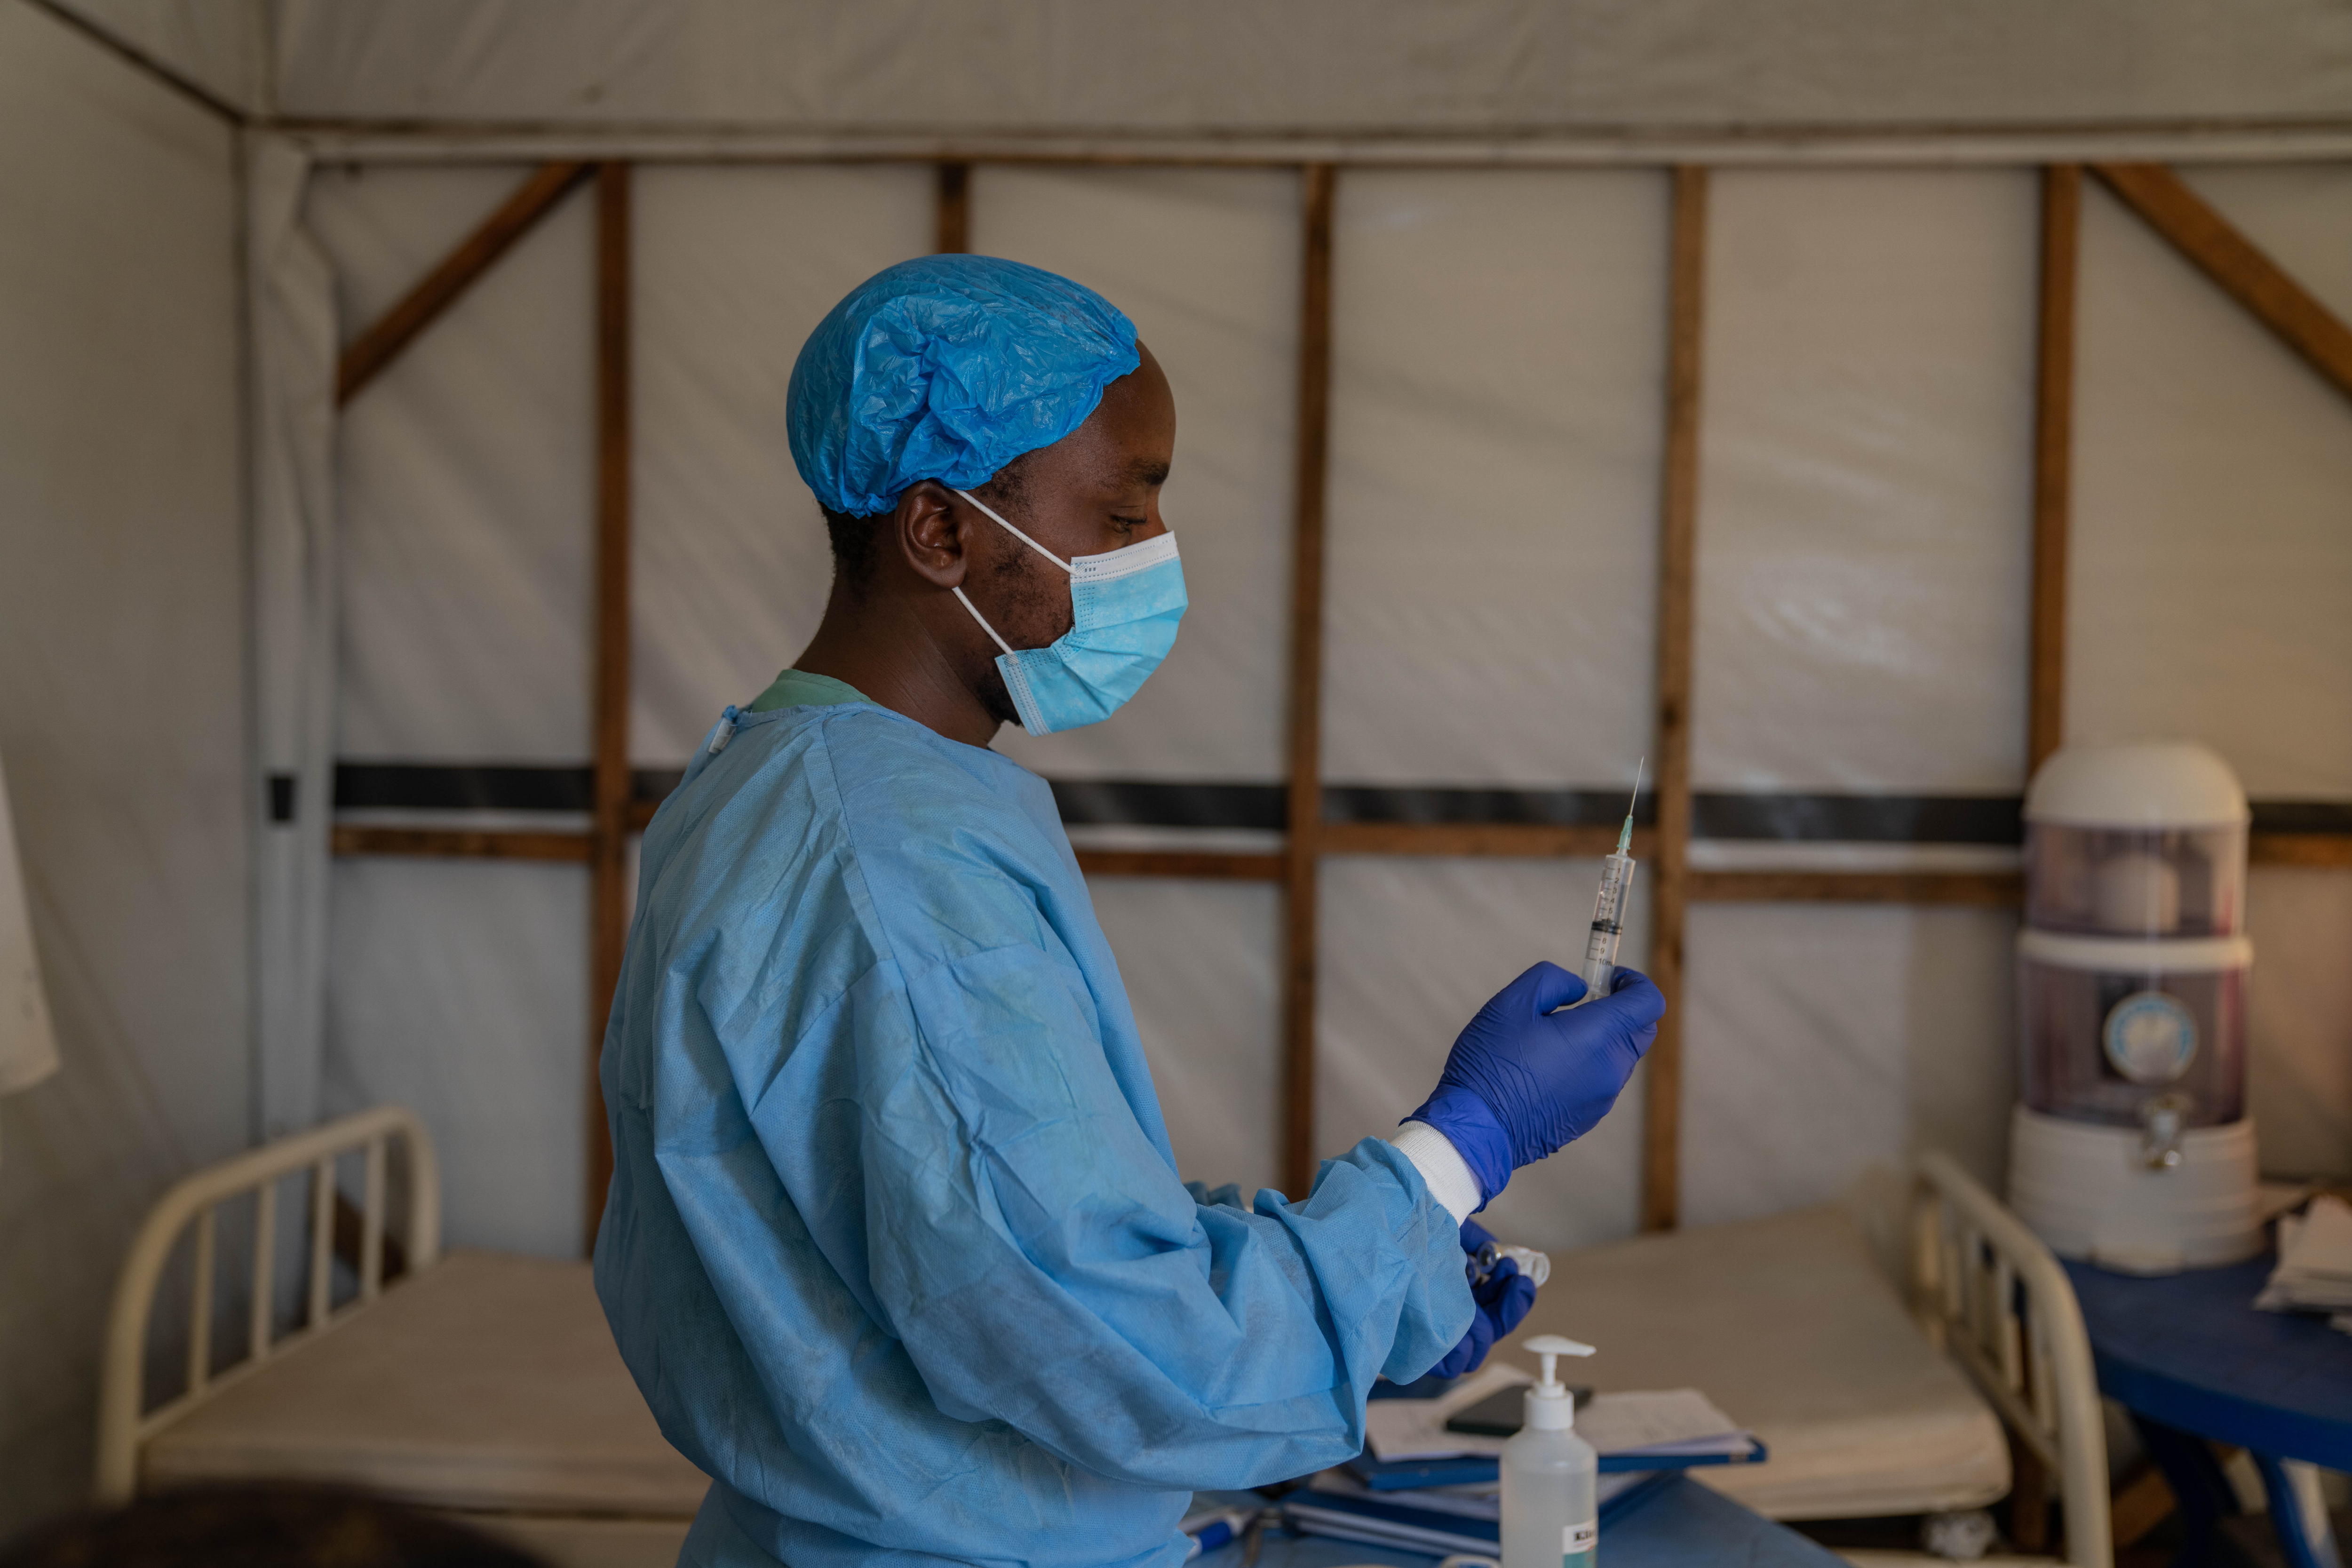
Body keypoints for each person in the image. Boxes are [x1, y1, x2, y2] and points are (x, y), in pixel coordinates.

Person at [594, 254, 1664, 1568]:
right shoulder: (891, 864)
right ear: (942, 533)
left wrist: (1377, 1281)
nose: (1155, 563)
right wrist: (1461, 1147)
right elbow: (1105, 1338)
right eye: (1116, 519)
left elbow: (993, 1218)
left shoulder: (779, 778)